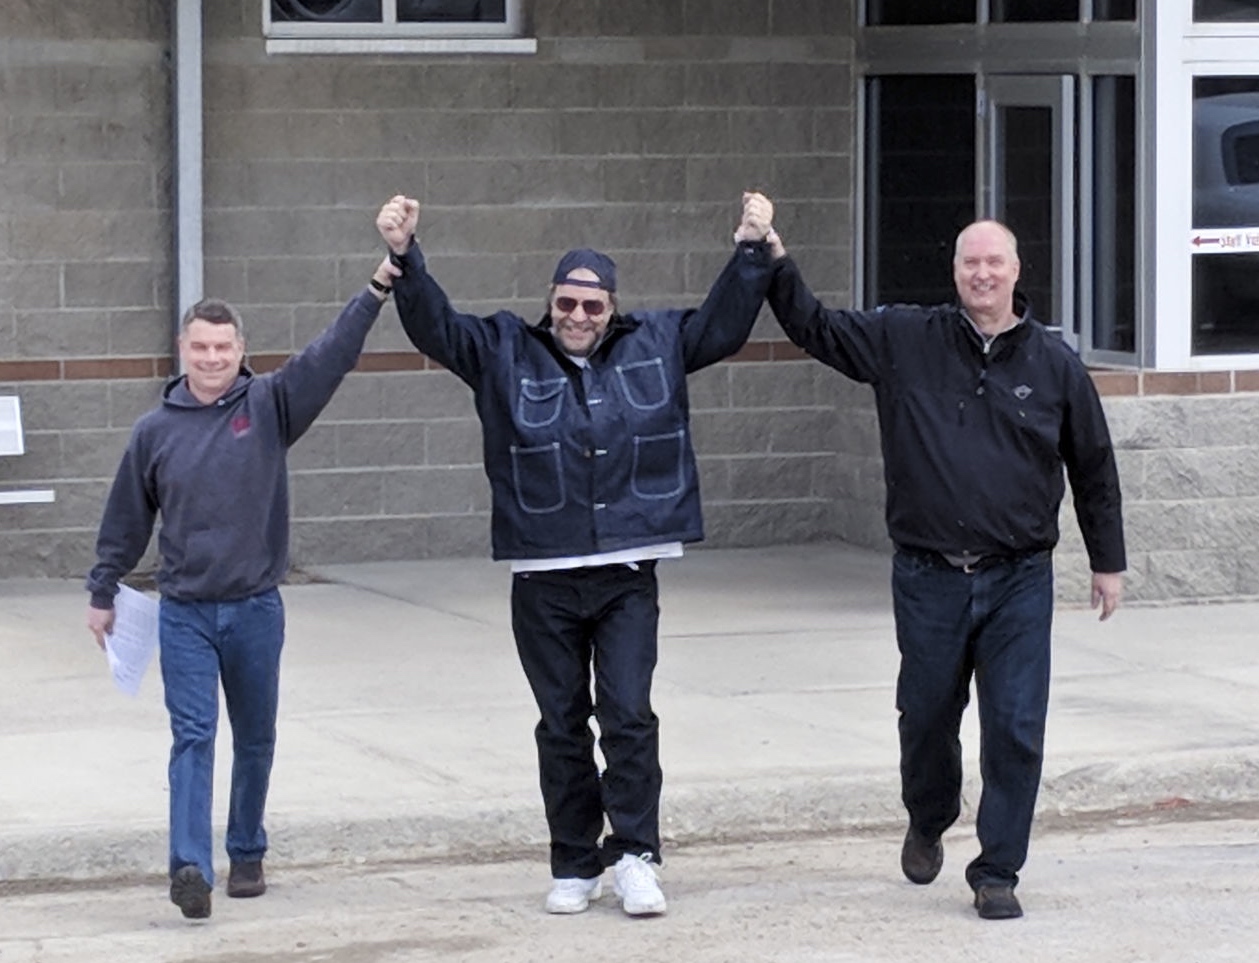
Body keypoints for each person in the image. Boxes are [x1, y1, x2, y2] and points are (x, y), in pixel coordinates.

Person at [374, 191, 780, 917]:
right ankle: (573, 860)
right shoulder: (504, 349)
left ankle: (635, 856)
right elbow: (436, 326)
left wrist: (751, 247)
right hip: (544, 575)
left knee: (628, 715)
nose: (578, 316)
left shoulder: (655, 341)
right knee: (561, 723)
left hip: (627, 571)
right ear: (550, 303)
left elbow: (722, 325)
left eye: (593, 306)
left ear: (612, 309)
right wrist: (405, 254)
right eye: (566, 303)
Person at [765, 219, 1126, 920]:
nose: (981, 274)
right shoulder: (904, 338)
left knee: (1015, 725)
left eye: (994, 262)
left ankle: (997, 870)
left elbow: (1093, 466)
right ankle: (929, 815)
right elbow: (816, 328)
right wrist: (774, 259)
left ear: (1016, 270)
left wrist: (1106, 561)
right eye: (969, 263)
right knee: (925, 717)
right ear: (955, 271)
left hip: (1019, 577)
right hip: (927, 575)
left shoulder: (1055, 364)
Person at [85, 260, 393, 920]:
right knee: (192, 736)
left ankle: (246, 850)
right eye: (200, 346)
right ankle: (190, 868)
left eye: (223, 347)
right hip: (185, 613)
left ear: (241, 350)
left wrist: (376, 289)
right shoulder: (154, 431)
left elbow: (330, 355)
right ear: (182, 349)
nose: (212, 358)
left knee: (254, 737)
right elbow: (125, 519)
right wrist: (102, 590)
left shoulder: (270, 405)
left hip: (255, 607)